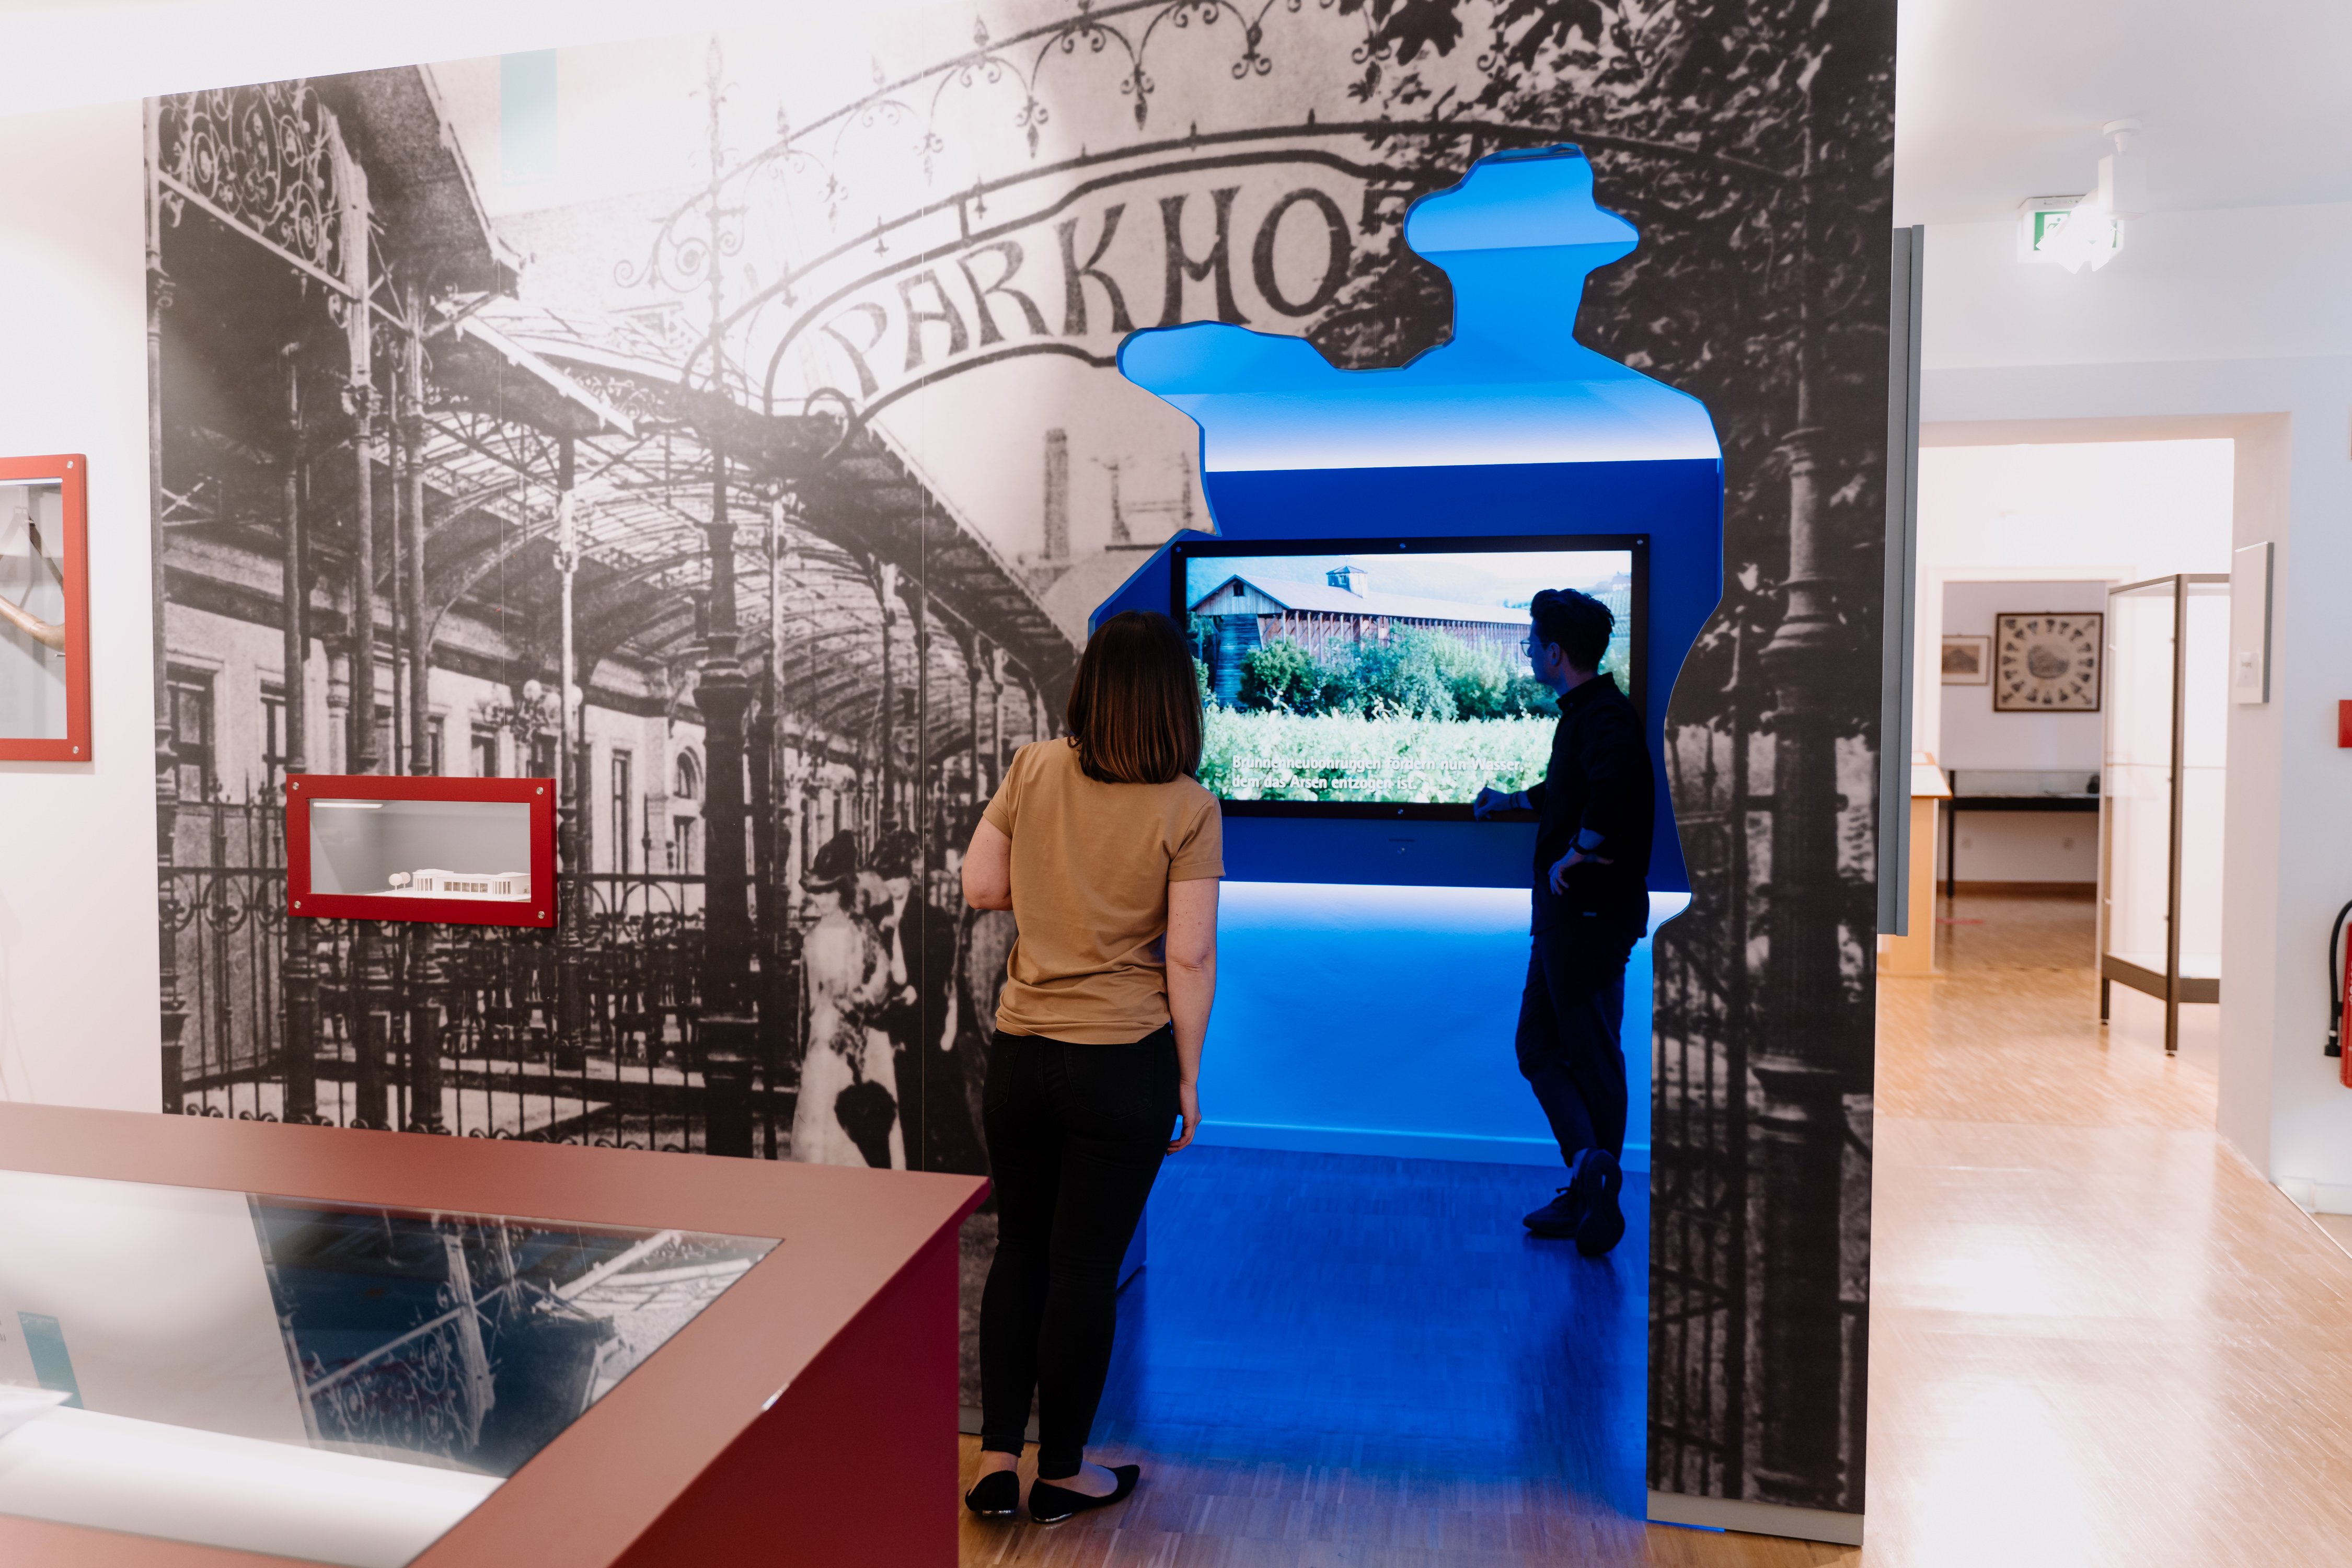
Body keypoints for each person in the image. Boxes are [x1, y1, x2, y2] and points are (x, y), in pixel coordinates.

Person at [960, 610, 1220, 1527]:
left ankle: (996, 1463)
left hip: (1021, 1056)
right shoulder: (1189, 807)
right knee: (1083, 1268)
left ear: (1089, 688)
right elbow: (1189, 955)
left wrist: (1056, 885)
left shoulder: (1033, 768)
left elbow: (982, 886)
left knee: (1020, 1251)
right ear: (1177, 701)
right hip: (1121, 1064)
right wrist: (1188, 1079)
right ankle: (1062, 1473)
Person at [1474, 587, 1654, 1257]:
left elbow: (1614, 795)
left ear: (1555, 652)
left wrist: (1581, 851)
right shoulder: (1587, 714)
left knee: (1592, 1055)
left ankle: (1592, 1186)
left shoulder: (1606, 717)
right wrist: (1510, 801)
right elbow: (1572, 791)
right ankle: (1588, 1172)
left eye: (1531, 642)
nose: (1526, 651)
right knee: (1539, 1047)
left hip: (1588, 915)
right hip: (1566, 917)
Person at [871, 827, 987, 1173]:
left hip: (922, 1019)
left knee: (924, 1099)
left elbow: (942, 967)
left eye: (899, 877)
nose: (894, 884)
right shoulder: (876, 916)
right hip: (888, 1019)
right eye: (888, 877)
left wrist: (918, 989)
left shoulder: (931, 916)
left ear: (910, 876)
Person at [791, 830, 901, 1169]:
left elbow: (882, 975)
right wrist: (805, 1040)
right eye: (817, 892)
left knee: (860, 1116)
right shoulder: (811, 939)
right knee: (820, 1111)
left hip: (861, 1033)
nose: (822, 900)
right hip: (823, 1037)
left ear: (843, 891)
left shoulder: (861, 930)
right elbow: (806, 998)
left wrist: (859, 1000)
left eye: (830, 891)